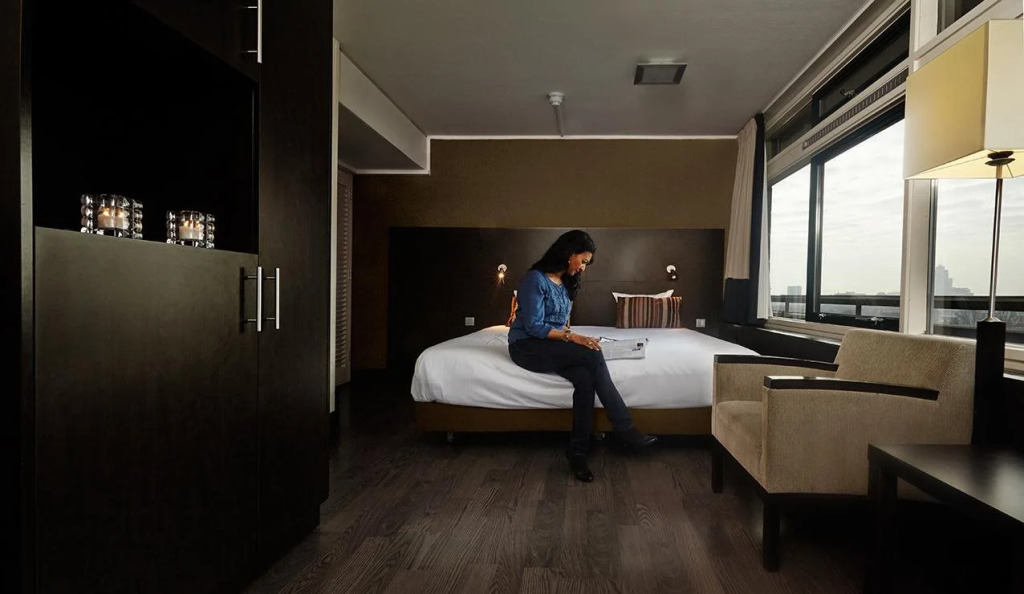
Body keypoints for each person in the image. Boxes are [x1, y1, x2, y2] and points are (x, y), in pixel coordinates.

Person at [507, 229, 657, 482]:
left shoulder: (566, 282)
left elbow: (561, 323)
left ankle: (577, 452)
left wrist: (575, 337)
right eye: (583, 261)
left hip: (550, 345)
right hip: (526, 346)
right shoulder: (536, 279)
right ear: (569, 253)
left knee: (585, 379)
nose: (583, 268)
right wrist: (573, 338)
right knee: (592, 356)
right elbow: (533, 327)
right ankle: (625, 428)